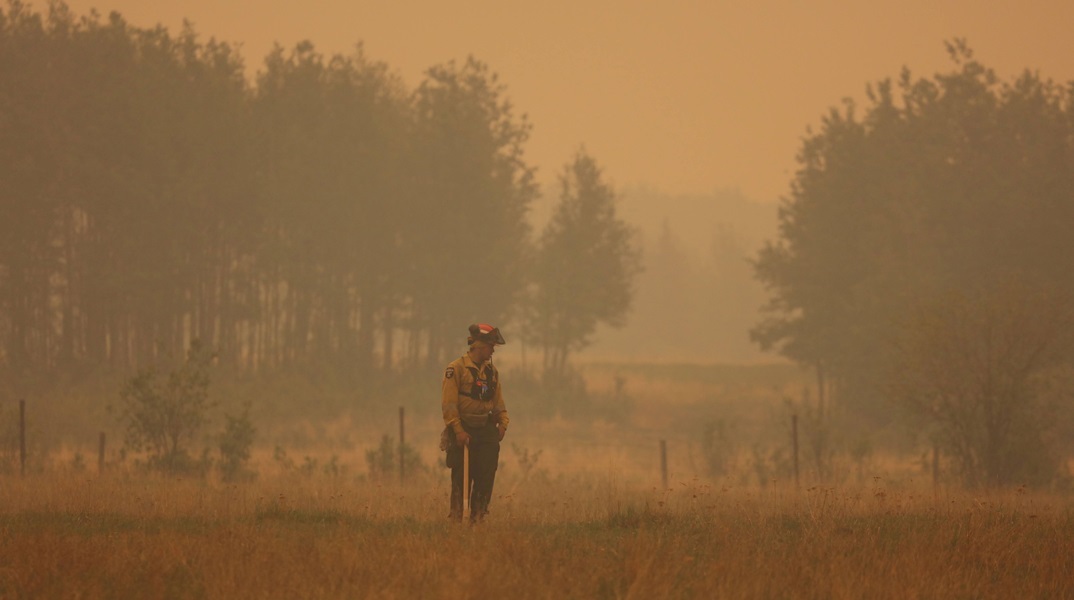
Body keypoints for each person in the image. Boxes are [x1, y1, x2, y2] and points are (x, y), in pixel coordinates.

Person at [441, 323, 509, 522]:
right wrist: (458, 430)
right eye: (490, 347)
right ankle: (456, 519)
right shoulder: (456, 369)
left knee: (486, 475)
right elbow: (449, 404)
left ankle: (478, 518)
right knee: (461, 478)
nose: (492, 350)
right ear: (479, 346)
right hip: (463, 429)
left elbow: (498, 402)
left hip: (485, 430)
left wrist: (503, 423)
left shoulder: (492, 372)